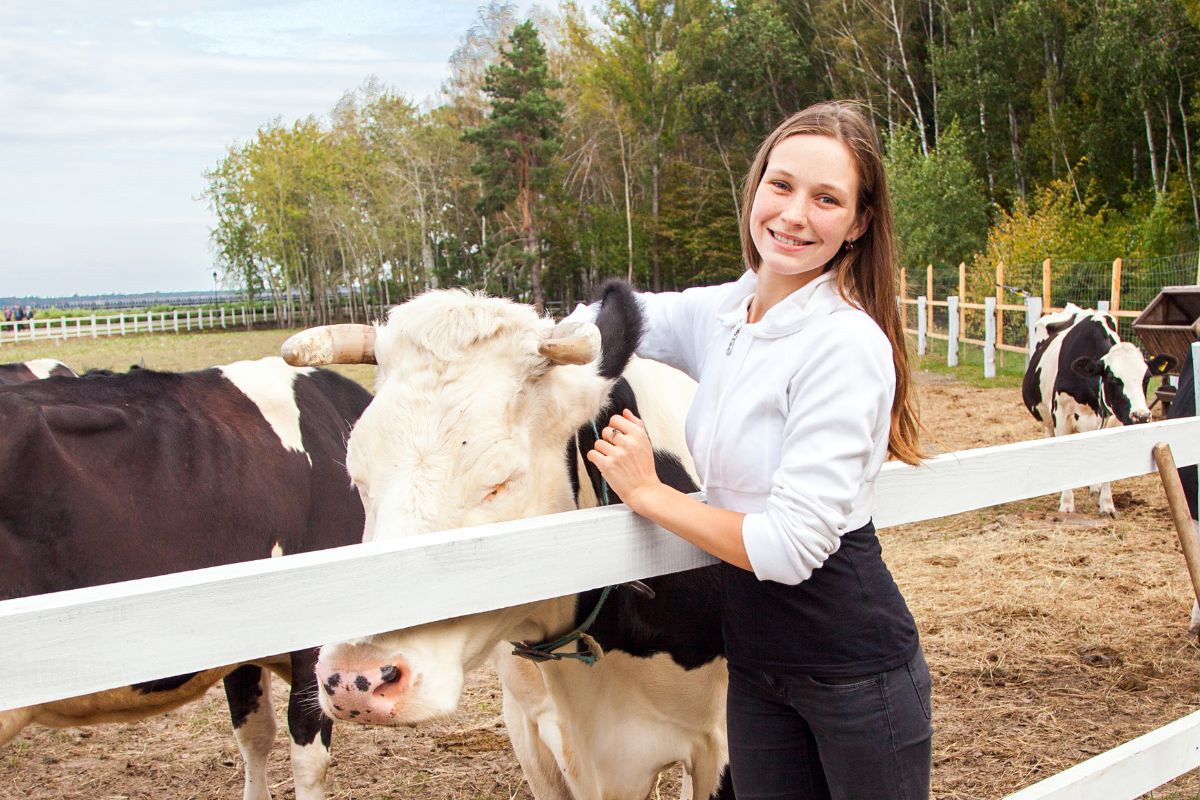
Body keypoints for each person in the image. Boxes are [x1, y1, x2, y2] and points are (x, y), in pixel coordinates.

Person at [582, 101, 932, 800]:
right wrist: (507, 338)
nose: (795, 214)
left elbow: (791, 546)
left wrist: (651, 495)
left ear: (859, 223)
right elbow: (625, 319)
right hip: (755, 667)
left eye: (826, 198)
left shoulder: (845, 343)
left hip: (855, 674)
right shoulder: (730, 313)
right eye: (781, 185)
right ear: (756, 189)